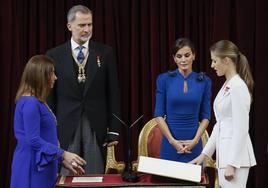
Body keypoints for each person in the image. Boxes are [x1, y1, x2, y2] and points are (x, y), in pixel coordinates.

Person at [46, 5, 121, 174]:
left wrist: (114, 128)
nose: (87, 29)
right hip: (65, 126)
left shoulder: (105, 52)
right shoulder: (54, 55)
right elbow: (50, 97)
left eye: (90, 24)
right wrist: (50, 130)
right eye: (82, 25)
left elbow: (113, 93)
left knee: (94, 175)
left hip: (96, 125)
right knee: (67, 176)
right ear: (69, 26)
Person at [10, 55, 86, 188]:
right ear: (40, 76)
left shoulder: (37, 101)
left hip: (42, 166)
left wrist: (61, 159)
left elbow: (45, 138)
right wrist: (63, 153)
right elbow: (33, 140)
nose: (55, 77)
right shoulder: (30, 103)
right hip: (32, 168)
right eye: (51, 73)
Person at [190, 40, 256, 187]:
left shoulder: (238, 87)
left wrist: (232, 164)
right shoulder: (227, 84)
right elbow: (220, 125)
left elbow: (241, 128)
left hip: (235, 160)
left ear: (226, 60)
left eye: (214, 60)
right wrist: (203, 155)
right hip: (225, 156)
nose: (212, 65)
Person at [154, 38, 212, 163]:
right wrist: (172, 141)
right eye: (179, 56)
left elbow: (206, 116)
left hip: (194, 145)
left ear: (194, 55)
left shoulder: (205, 81)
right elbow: (158, 115)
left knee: (195, 182)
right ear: (174, 58)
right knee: (169, 182)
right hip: (170, 145)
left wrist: (195, 140)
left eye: (187, 55)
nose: (183, 60)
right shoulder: (163, 79)